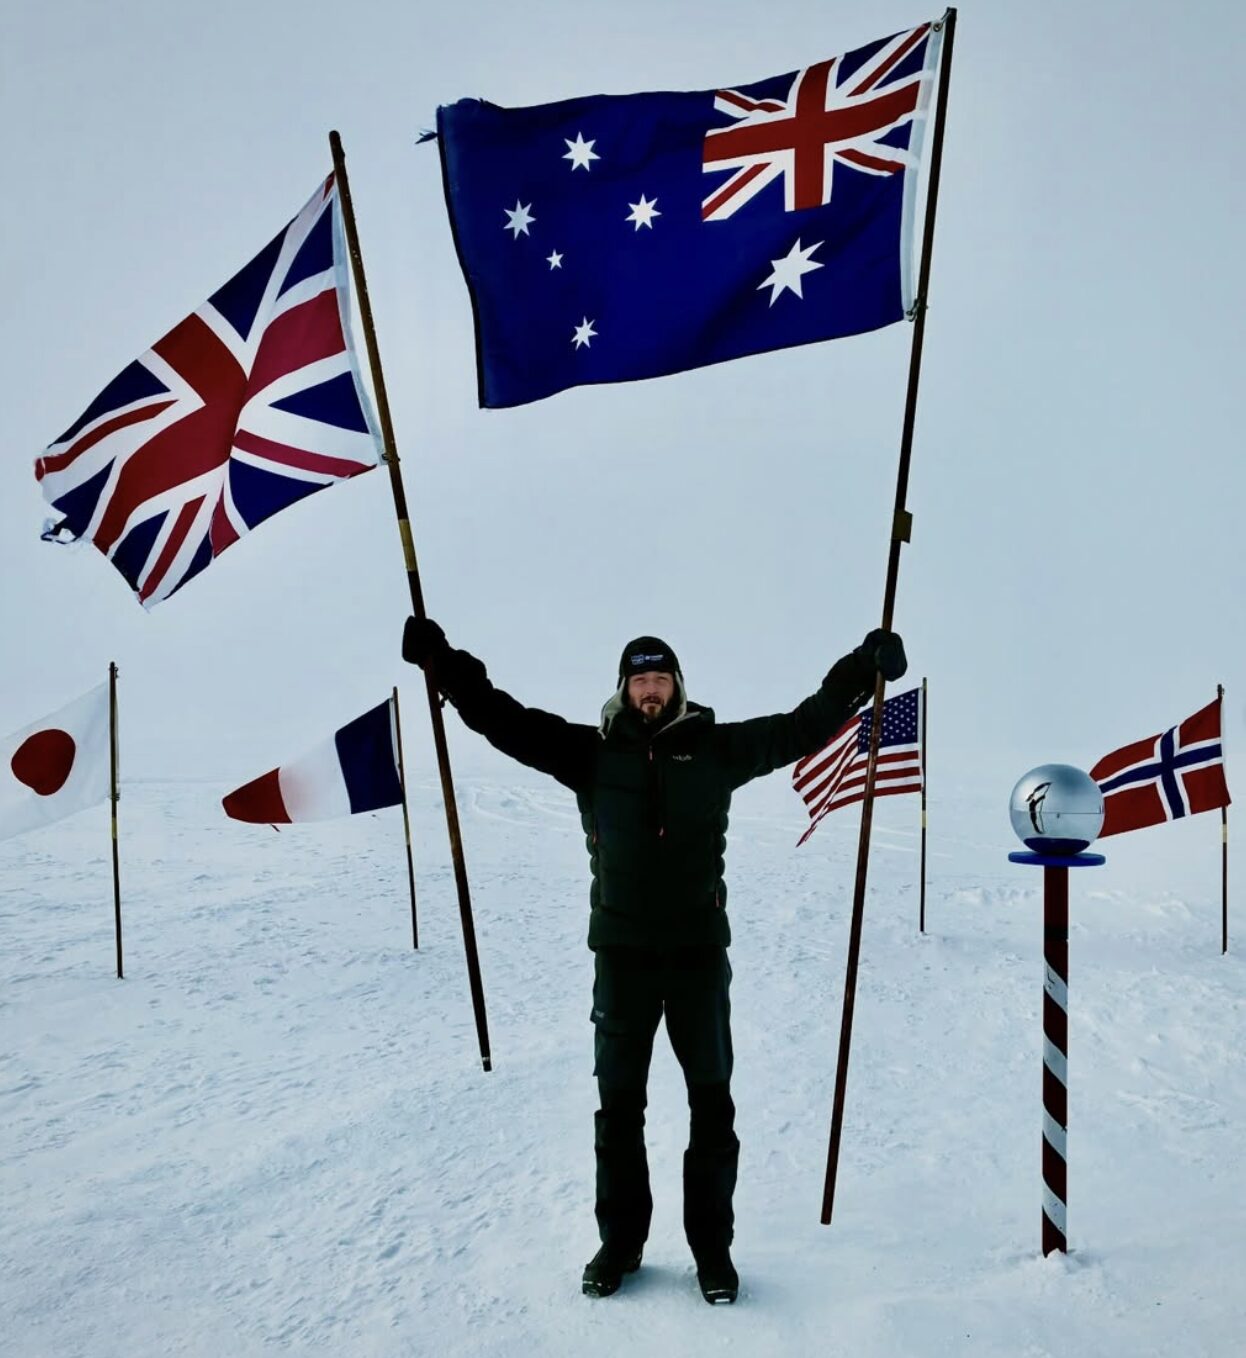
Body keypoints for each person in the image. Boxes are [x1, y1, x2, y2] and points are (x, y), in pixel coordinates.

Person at [401, 619, 907, 1304]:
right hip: (623, 957)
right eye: (640, 679)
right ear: (624, 688)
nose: (650, 690)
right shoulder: (590, 754)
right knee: (618, 1107)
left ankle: (712, 1252)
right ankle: (621, 1243)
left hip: (698, 955)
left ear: (676, 687)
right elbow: (507, 721)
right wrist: (446, 666)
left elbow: (798, 728)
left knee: (711, 1105)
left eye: (660, 678)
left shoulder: (716, 749)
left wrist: (858, 670)